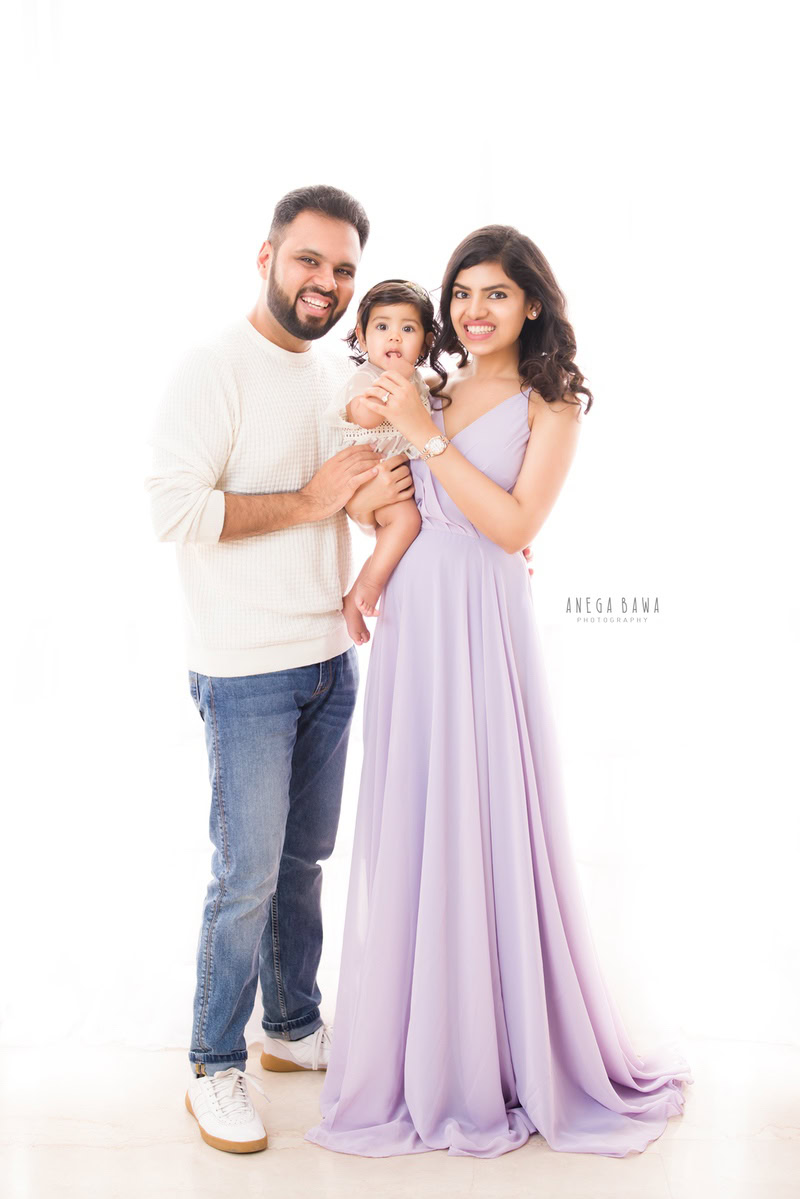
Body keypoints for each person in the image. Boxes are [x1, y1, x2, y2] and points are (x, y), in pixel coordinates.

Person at [306, 225, 693, 1159]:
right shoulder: (428, 386)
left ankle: (502, 1054)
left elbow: (515, 520)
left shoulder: (548, 400)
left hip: (484, 617)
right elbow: (373, 492)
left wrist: (430, 442)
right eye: (464, 293)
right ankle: (421, 1047)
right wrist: (385, 493)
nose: (476, 311)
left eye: (498, 295)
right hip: (414, 616)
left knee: (487, 812)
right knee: (415, 816)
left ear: (532, 306)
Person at [145, 184, 414, 1154]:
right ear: (266, 257)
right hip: (245, 672)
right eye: (310, 260)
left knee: (303, 865)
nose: (327, 282)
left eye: (343, 268)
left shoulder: (334, 375)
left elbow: (370, 490)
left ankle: (291, 1027)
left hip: (328, 662)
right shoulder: (211, 369)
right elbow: (175, 511)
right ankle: (213, 1064)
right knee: (246, 875)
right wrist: (307, 501)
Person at [323, 278, 443, 645]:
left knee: (400, 527)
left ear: (425, 342)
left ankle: (353, 600)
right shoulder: (366, 378)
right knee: (406, 521)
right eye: (382, 327)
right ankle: (370, 587)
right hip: (364, 471)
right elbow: (366, 416)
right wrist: (396, 381)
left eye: (407, 328)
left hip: (388, 478)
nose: (394, 337)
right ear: (362, 337)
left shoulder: (418, 381)